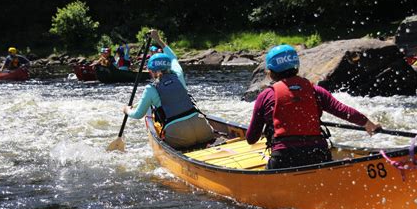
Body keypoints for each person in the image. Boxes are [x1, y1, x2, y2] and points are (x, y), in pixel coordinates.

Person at [246, 44, 381, 169]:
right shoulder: (315, 90)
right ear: (297, 67)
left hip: (284, 158)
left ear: (270, 73)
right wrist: (368, 124)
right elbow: (342, 110)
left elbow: (251, 138)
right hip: (317, 154)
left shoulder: (266, 96)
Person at [123, 29, 214, 149]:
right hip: (203, 128)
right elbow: (173, 57)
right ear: (168, 66)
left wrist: (127, 110)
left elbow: (138, 114)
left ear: (150, 71)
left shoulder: (150, 88)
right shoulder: (178, 74)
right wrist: (158, 39)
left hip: (179, 134)